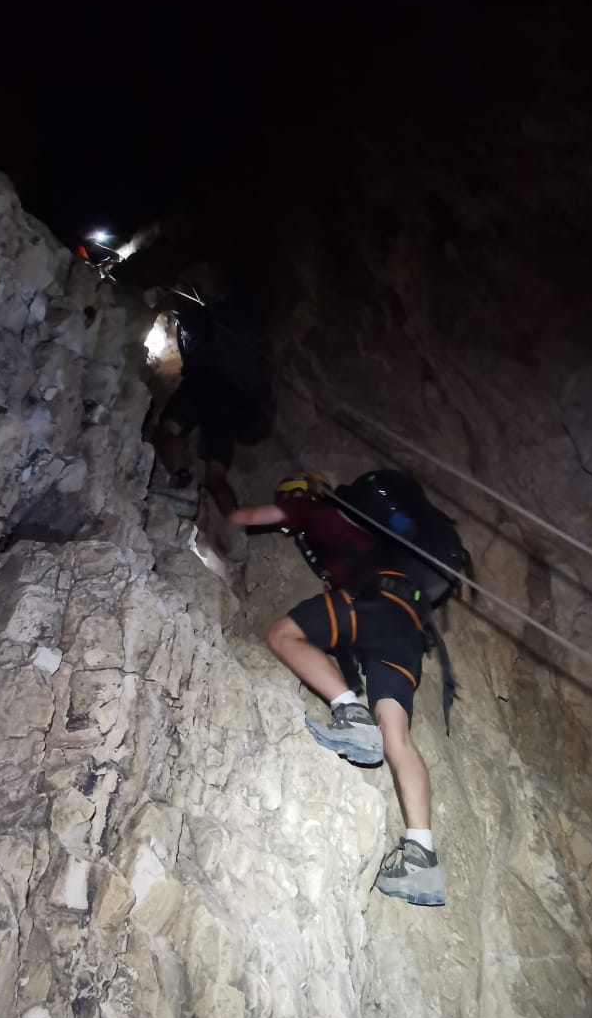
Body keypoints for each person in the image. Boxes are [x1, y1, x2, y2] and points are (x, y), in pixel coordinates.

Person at [231, 473, 446, 906]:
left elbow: (246, 517)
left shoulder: (312, 509)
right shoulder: (373, 533)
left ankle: (350, 712)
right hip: (409, 627)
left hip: (374, 601)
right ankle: (422, 858)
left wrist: (226, 521)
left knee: (282, 634)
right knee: (397, 739)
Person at [153, 287, 275, 526]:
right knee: (216, 475)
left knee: (168, 431)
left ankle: (181, 480)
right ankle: (238, 527)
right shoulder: (257, 335)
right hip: (237, 404)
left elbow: (178, 307)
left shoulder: (214, 318)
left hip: (202, 385)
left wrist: (159, 303)